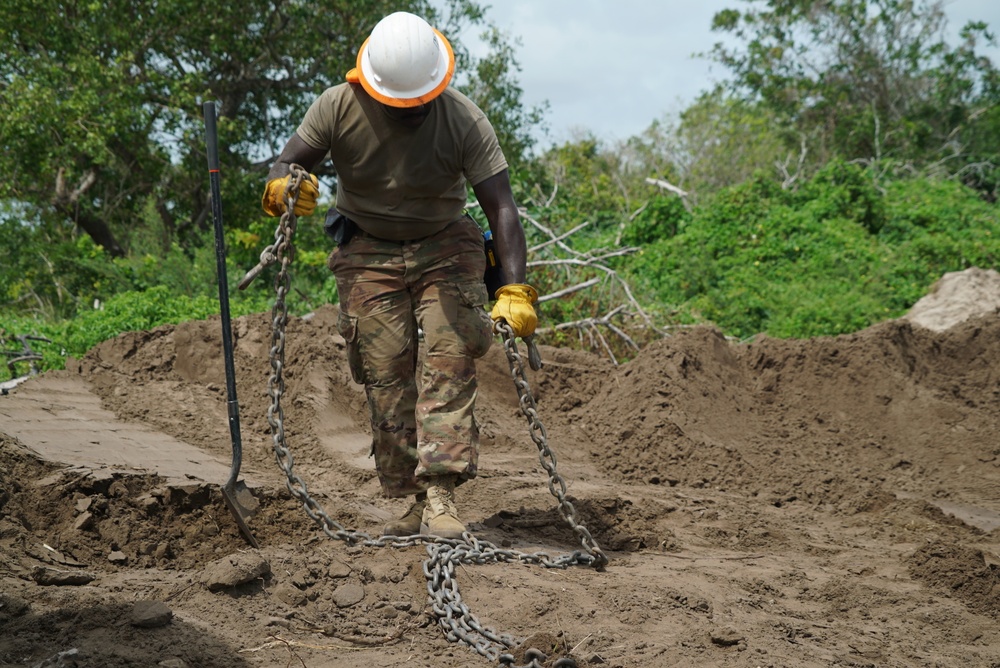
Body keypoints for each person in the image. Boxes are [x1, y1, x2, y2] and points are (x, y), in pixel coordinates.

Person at [261, 11, 539, 539]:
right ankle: (409, 501)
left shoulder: (464, 120)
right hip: (366, 246)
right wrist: (282, 187)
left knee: (448, 360)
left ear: (438, 83)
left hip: (445, 244)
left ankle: (440, 495)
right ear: (370, 84)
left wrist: (514, 288)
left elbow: (500, 206)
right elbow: (289, 161)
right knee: (385, 373)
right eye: (397, 104)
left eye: (419, 102)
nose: (409, 111)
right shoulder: (336, 106)